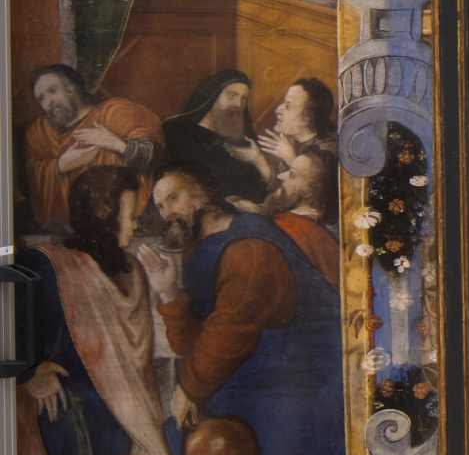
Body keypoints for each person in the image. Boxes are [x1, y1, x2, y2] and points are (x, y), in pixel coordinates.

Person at [147, 165, 346, 455]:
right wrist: (169, 295)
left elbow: (229, 331)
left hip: (299, 384)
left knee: (184, 450)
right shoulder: (203, 249)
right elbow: (198, 344)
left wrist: (190, 389)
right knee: (173, 442)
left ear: (202, 193)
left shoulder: (249, 247)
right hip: (247, 374)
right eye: (160, 206)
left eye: (173, 198)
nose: (168, 212)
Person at [15, 165, 173, 455]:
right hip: (70, 416)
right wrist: (30, 371)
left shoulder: (132, 272)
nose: (135, 224)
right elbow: (10, 323)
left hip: (127, 419)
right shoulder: (48, 264)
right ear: (104, 216)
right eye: (130, 216)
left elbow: (139, 364)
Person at [21, 62, 161, 233]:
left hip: (126, 225)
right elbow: (32, 180)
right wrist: (61, 165)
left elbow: (153, 155)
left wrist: (115, 143)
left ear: (72, 88)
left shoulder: (115, 112)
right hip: (72, 232)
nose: (48, 102)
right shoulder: (40, 133)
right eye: (41, 98)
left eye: (52, 91)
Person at [164, 72, 271, 207]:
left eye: (244, 99)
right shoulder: (177, 130)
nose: (238, 104)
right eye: (232, 96)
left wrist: (258, 160)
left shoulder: (245, 140)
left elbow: (262, 190)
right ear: (213, 95)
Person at [269, 147, 343, 287]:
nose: (280, 176)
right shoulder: (319, 228)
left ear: (311, 191)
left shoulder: (286, 227)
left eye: (292, 175)